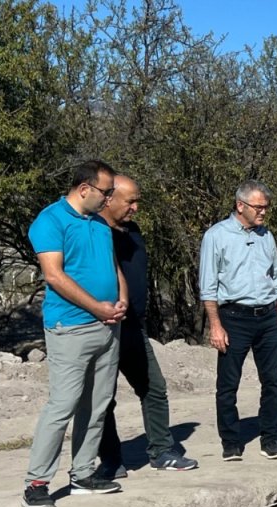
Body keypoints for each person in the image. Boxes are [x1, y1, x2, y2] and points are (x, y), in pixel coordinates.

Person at [22, 160, 127, 507]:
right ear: (85, 189)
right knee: (63, 404)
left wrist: (121, 298)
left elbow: (112, 267)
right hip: (71, 326)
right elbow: (53, 275)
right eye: (106, 192)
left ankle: (83, 473)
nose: (109, 198)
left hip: (109, 326)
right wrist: (97, 307)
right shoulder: (50, 221)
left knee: (97, 405)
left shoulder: (99, 223)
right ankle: (37, 482)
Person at [94, 176, 198, 479]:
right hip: (104, 327)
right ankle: (110, 460)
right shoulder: (94, 233)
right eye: (130, 201)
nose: (136, 207)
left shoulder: (133, 231)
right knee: (103, 397)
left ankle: (162, 450)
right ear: (109, 199)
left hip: (134, 328)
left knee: (154, 387)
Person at [199, 180, 277, 461]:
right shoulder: (216, 236)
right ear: (240, 205)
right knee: (228, 385)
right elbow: (208, 285)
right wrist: (215, 325)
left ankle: (270, 438)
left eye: (265, 207)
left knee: (272, 381)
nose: (263, 212)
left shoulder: (267, 236)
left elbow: (276, 279)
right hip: (233, 317)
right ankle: (231, 441)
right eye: (258, 207)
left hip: (267, 317)